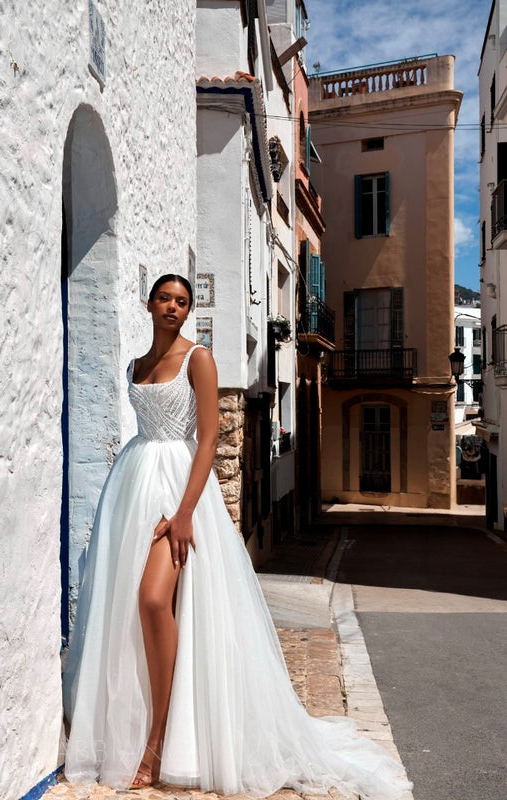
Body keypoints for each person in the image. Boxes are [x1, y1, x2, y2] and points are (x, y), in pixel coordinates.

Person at [63, 274, 413, 799]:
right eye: (164, 299)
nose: (173, 309)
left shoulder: (198, 359)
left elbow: (208, 440)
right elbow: (145, 431)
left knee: (153, 601)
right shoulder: (136, 365)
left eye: (182, 302)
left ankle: (158, 738)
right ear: (149, 303)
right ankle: (136, 729)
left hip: (180, 490)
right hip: (133, 482)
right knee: (127, 610)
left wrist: (184, 513)